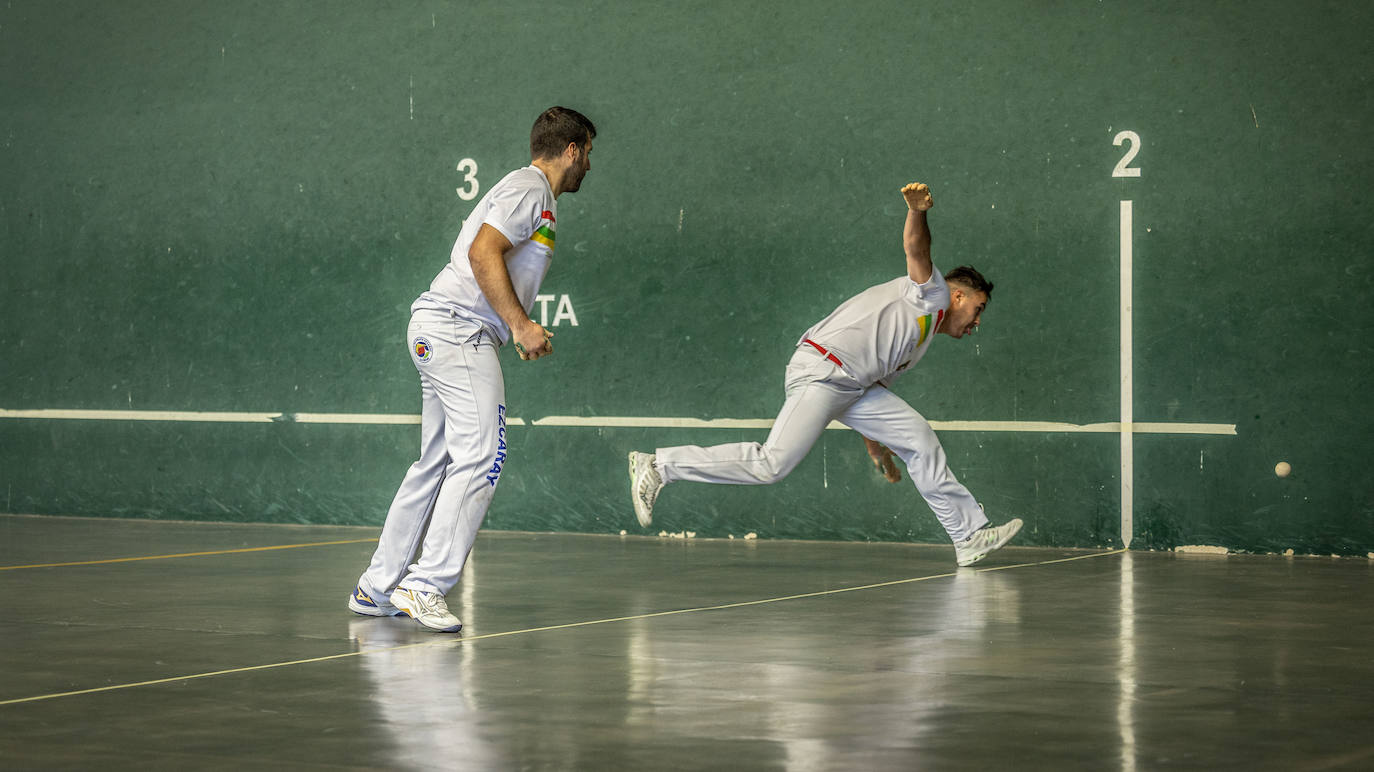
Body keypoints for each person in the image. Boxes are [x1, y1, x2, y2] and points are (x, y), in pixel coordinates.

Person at [628, 181, 1022, 567]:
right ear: (958, 296)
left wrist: (876, 444)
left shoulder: (916, 344)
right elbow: (916, 250)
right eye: (979, 308)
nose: (976, 322)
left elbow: (874, 390)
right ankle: (659, 466)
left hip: (852, 386)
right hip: (823, 370)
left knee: (918, 439)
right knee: (772, 465)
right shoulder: (931, 295)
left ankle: (968, 536)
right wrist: (917, 212)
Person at [349, 106, 596, 631]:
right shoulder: (531, 187)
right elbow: (485, 252)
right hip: (459, 331)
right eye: (589, 154)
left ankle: (378, 588)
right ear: (571, 150)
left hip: (443, 329)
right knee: (483, 453)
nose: (589, 166)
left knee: (437, 462)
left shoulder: (533, 196)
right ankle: (424, 585)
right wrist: (521, 325)